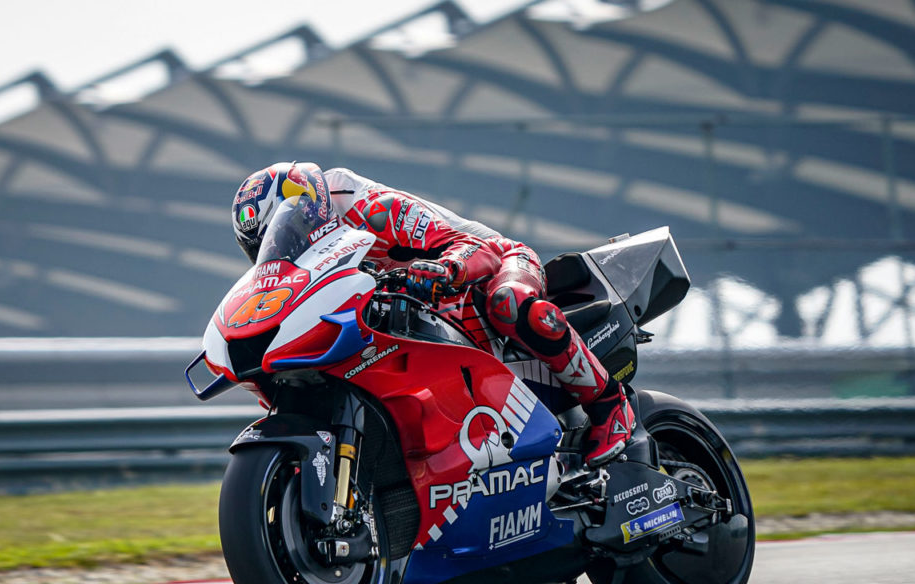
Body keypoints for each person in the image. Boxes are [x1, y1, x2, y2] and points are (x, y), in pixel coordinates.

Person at [230, 161, 634, 467]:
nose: (286, 243)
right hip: (422, 308)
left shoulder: (368, 208)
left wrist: (449, 268)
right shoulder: (306, 264)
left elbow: (472, 246)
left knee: (508, 302)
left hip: (491, 263)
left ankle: (609, 405)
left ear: (310, 208)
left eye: (286, 229)